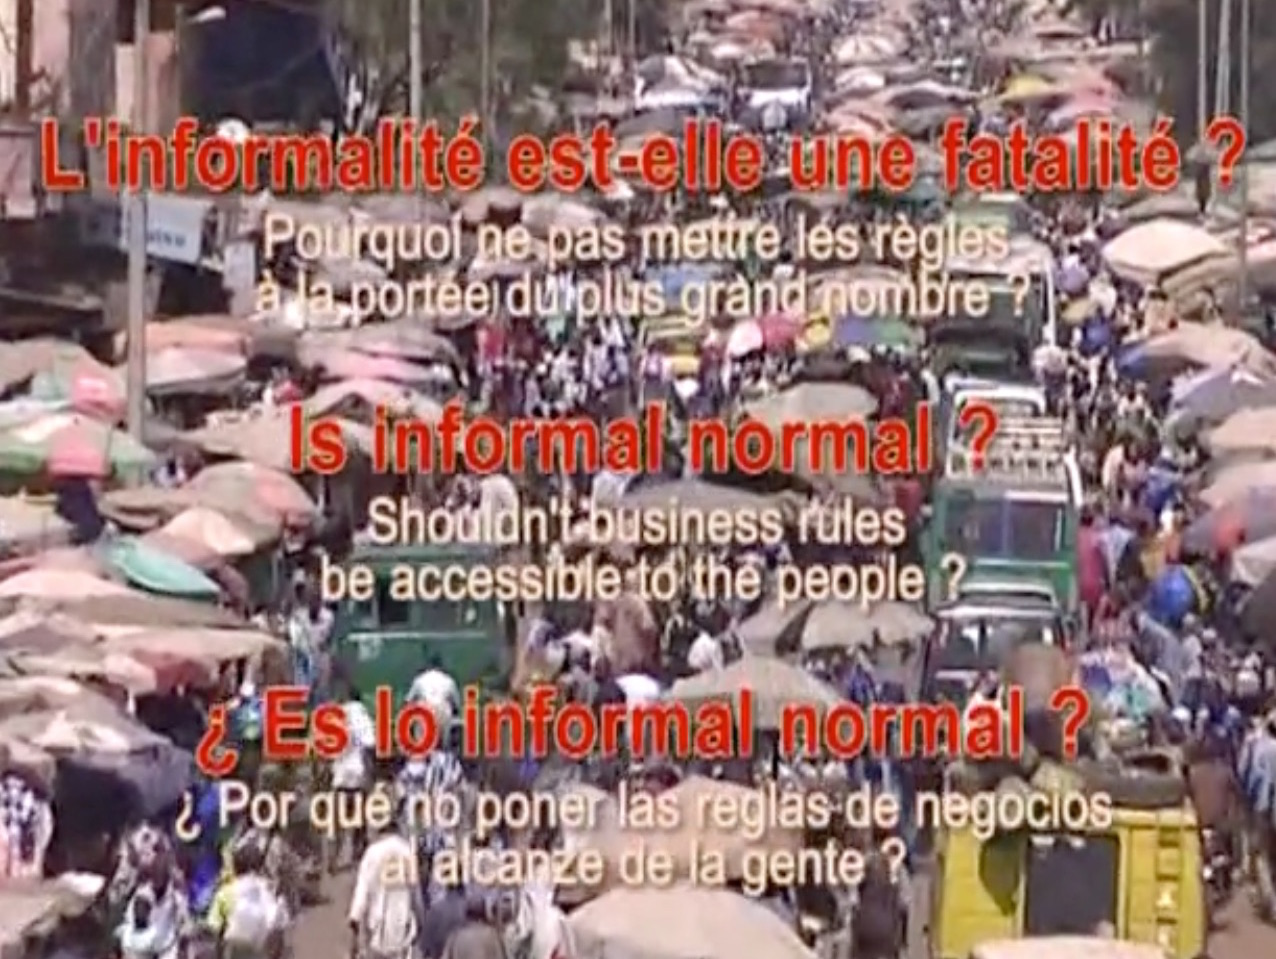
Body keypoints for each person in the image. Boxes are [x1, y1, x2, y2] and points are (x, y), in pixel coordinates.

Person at [349, 819, 424, 959]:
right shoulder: (407, 851)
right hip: (402, 927)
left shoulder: (372, 853)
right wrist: (421, 920)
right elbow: (416, 893)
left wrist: (355, 924)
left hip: (378, 928)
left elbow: (361, 893)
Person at [207, 841, 288, 959]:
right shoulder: (270, 890)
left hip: (233, 947)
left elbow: (213, 928)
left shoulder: (226, 891)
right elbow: (279, 926)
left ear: (236, 867)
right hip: (261, 948)